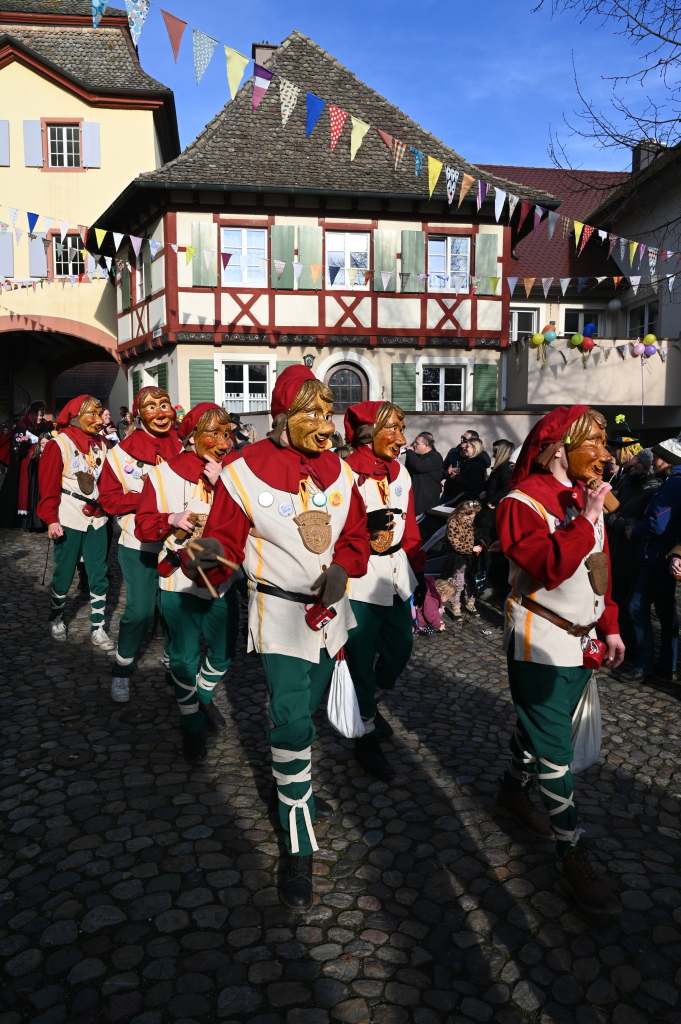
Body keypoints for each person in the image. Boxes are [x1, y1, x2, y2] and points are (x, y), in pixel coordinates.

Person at [181, 366, 369, 910]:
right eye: (309, 412)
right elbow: (221, 538)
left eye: (326, 411)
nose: (322, 423)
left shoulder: (341, 470)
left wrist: (345, 569)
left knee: (308, 710)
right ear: (282, 418)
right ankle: (296, 834)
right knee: (288, 718)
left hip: (330, 613)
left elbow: (353, 535)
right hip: (280, 613)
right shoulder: (244, 469)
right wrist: (198, 567)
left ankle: (286, 787)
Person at [495, 405, 624, 915]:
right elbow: (548, 567)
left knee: (538, 726)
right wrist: (587, 519)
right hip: (540, 638)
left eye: (603, 443)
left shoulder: (586, 497)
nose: (604, 453)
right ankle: (574, 855)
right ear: (557, 448)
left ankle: (509, 790)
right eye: (591, 442)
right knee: (555, 747)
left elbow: (600, 571)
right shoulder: (519, 502)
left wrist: (609, 625)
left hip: (582, 639)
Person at [135, 403, 239, 763]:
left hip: (222, 580)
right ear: (193, 436)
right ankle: (192, 725)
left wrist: (224, 484)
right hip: (179, 580)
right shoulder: (162, 476)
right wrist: (170, 518)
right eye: (214, 433)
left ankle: (200, 699)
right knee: (183, 656)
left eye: (228, 434)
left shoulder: (235, 473)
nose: (223, 442)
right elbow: (142, 525)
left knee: (224, 652)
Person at [343, 401, 426, 781]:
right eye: (392, 428)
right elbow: (330, 531)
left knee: (399, 650)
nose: (401, 438)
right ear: (367, 433)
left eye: (402, 427)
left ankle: (369, 705)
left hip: (396, 575)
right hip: (359, 580)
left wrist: (418, 569)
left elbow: (409, 528)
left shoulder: (402, 473)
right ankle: (365, 738)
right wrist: (363, 526)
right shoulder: (343, 473)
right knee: (360, 660)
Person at [98, 385, 182, 703]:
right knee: (140, 610)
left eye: (165, 405)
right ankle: (122, 669)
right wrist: (145, 498)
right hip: (138, 544)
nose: (161, 413)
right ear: (137, 415)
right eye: (152, 407)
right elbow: (108, 498)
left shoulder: (185, 449)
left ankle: (175, 665)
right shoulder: (119, 455)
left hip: (177, 543)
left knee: (175, 609)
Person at [37, 395, 114, 650]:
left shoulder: (101, 444)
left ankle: (98, 628)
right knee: (65, 570)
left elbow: (107, 481)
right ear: (75, 417)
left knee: (98, 572)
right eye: (91, 414)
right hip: (68, 515)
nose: (97, 419)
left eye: (98, 413)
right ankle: (56, 617)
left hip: (97, 518)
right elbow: (47, 486)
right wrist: (51, 519)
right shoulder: (58, 445)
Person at [621, 438, 681, 684]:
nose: (652, 460)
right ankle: (667, 665)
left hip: (656, 556)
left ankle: (645, 666)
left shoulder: (673, 484)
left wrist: (634, 532)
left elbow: (658, 524)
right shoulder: (672, 482)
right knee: (667, 612)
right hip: (662, 555)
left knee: (637, 606)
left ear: (667, 459)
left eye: (656, 456)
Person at [606, 449, 660, 662]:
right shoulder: (632, 483)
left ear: (648, 466)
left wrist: (618, 523)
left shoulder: (652, 490)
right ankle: (622, 646)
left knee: (633, 606)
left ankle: (636, 652)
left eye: (639, 461)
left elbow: (644, 523)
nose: (634, 464)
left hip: (634, 555)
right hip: (620, 552)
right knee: (618, 601)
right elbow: (620, 510)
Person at [478, 440, 515, 604]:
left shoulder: (505, 468)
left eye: (495, 451)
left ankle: (494, 587)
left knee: (494, 553)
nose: (493, 454)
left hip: (493, 516)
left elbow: (507, 488)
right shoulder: (500, 468)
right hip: (489, 514)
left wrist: (492, 499)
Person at [0, 401, 46, 528]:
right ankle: (24, 520)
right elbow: (16, 450)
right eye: (37, 415)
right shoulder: (21, 429)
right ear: (31, 416)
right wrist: (24, 443)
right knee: (24, 491)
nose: (40, 418)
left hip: (39, 466)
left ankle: (38, 518)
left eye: (41, 415)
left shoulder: (44, 428)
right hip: (24, 467)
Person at [404, 432, 443, 515]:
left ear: (425, 445)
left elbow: (420, 466)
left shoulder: (434, 456)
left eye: (417, 443)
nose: (414, 445)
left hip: (426, 503)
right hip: (415, 498)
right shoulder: (418, 456)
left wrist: (410, 452)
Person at [443, 436, 489, 503]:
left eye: (467, 446)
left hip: (467, 500)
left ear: (474, 448)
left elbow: (473, 486)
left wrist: (457, 476)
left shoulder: (476, 465)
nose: (464, 448)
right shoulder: (471, 462)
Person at [24, 432, 52, 533]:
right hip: (37, 484)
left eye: (47, 442)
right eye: (43, 443)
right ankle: (37, 523)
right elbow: (32, 471)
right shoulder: (36, 456)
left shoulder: (53, 453)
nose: (45, 445)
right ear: (40, 443)